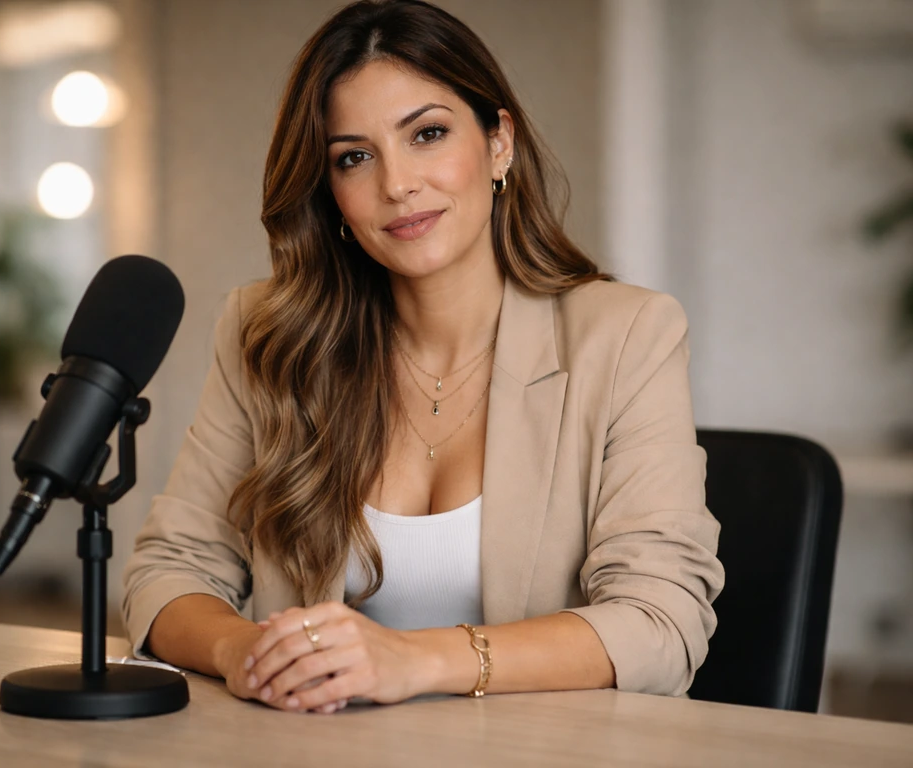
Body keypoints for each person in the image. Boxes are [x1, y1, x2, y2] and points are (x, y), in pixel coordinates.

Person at [123, 0, 724, 716]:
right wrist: (242, 654)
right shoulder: (267, 333)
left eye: (428, 134)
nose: (397, 184)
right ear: (330, 191)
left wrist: (414, 659)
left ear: (499, 143)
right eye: (354, 156)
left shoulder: (628, 336)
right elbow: (168, 571)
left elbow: (662, 622)